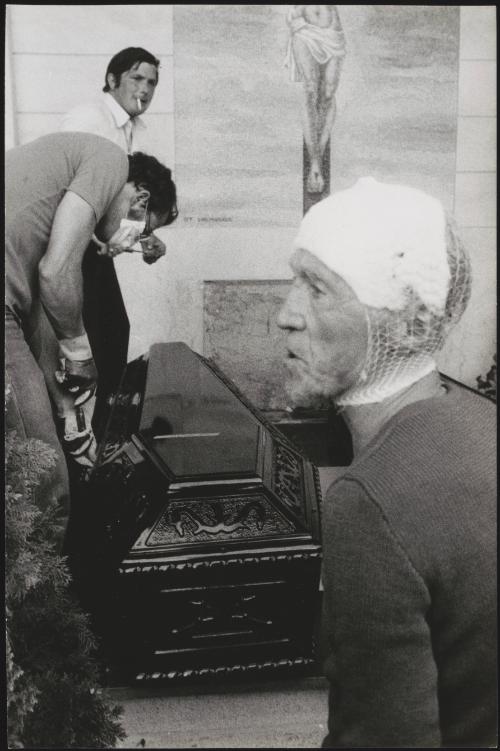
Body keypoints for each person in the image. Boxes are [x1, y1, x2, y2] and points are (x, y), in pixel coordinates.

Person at [277, 177, 497, 747]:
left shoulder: (369, 504)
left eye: (318, 290)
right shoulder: (481, 421)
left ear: (410, 323)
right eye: (293, 280)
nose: (286, 314)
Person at [5, 132, 177, 546]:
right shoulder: (109, 159)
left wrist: (69, 411)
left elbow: (43, 316)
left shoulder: (53, 202)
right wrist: (81, 353)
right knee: (44, 476)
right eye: (142, 229)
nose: (134, 241)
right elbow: (55, 274)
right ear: (140, 199)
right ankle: (46, 603)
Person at [60, 48, 172, 430]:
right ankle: (92, 433)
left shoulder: (132, 128)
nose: (145, 89)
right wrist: (99, 242)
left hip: (91, 247)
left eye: (152, 82)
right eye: (137, 79)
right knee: (100, 337)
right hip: (69, 244)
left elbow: (121, 203)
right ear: (112, 80)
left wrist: (144, 239)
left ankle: (103, 429)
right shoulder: (89, 118)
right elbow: (71, 194)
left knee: (113, 331)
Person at [285, 6, 346, 194]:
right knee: (311, 89)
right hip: (304, 29)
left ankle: (317, 158)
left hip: (332, 32)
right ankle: (315, 165)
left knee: (328, 93)